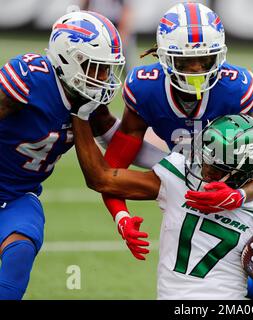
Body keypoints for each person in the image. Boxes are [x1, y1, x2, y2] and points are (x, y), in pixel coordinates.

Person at [0, 9, 159, 300]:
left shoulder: (86, 96)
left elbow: (116, 139)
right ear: (67, 58)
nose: (103, 77)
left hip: (19, 194)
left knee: (21, 247)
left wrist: (174, 164)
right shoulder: (29, 80)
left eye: (106, 68)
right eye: (95, 67)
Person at [102, 0, 253, 264]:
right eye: (187, 61)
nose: (197, 69)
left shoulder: (238, 90)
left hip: (231, 183)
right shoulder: (146, 89)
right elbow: (111, 171)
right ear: (165, 57)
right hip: (176, 173)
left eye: (205, 59)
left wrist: (238, 195)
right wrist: (121, 216)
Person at [72, 112, 253, 299]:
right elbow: (102, 180)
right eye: (204, 157)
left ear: (242, 173)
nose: (204, 169)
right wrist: (79, 113)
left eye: (216, 167)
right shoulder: (179, 176)